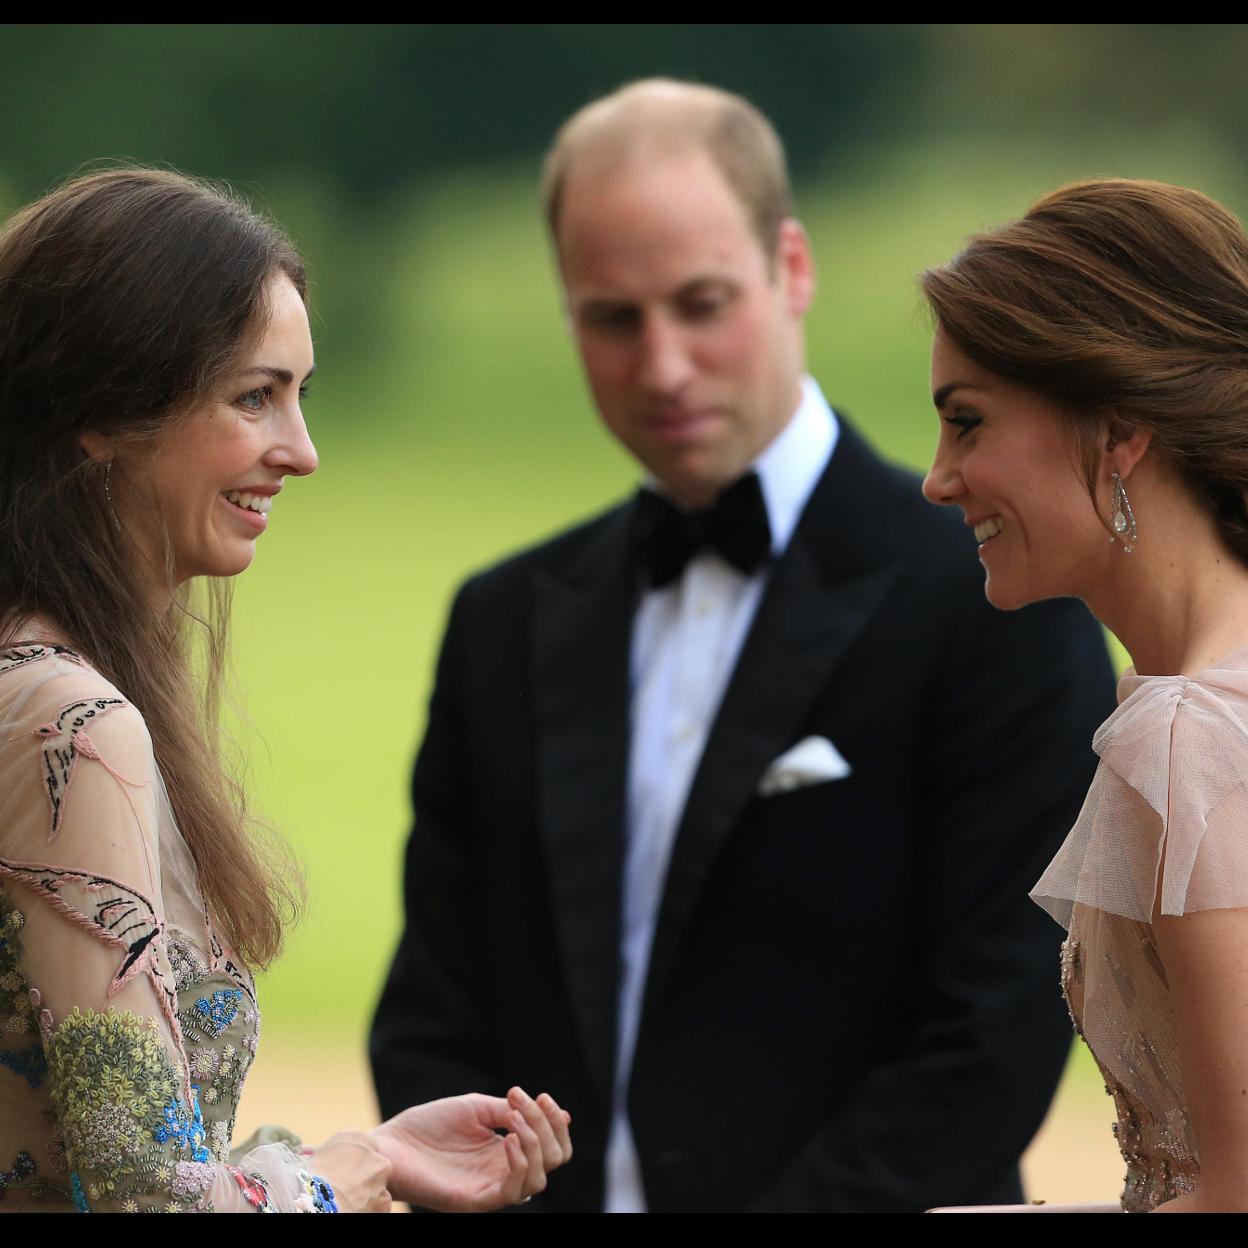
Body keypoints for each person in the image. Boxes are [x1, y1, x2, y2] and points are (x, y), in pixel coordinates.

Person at [370, 79, 1115, 1212]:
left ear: (792, 269)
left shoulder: (996, 597)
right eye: (614, 318)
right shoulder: (502, 617)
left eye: (702, 302)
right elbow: (432, 1015)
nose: (662, 365)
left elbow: (998, 1028)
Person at [0, 168, 572, 1213]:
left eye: (300, 396)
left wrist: (370, 1151)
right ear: (100, 412)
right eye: (254, 396)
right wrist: (338, 1179)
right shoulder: (69, 723)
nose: (302, 453)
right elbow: (150, 1202)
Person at [921, 177, 1248, 1214]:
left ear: (1117, 433)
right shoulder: (1179, 698)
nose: (938, 478)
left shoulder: (1186, 735)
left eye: (967, 424)